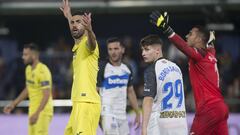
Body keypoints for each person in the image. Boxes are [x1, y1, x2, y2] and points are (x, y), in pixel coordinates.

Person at [150, 11, 229, 135]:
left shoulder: (200, 55)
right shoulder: (211, 54)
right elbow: (211, 42)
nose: (187, 36)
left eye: (190, 34)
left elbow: (183, 46)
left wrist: (167, 28)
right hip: (221, 108)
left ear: (199, 38)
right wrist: (211, 36)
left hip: (208, 109)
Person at [60, 0, 101, 134]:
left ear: (85, 24)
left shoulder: (88, 45)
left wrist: (90, 29)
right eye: (72, 23)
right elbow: (76, 33)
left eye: (78, 22)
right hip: (78, 102)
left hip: (87, 103)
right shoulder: (78, 45)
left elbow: (92, 43)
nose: (74, 25)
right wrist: (68, 17)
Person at [140, 35, 188, 135]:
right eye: (142, 50)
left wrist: (144, 128)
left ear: (157, 50)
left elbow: (148, 100)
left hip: (160, 124)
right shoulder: (176, 67)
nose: (143, 53)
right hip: (180, 122)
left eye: (147, 50)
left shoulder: (152, 70)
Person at [3, 43, 53, 135]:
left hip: (43, 111)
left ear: (33, 56)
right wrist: (13, 104)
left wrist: (37, 113)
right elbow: (28, 89)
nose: (23, 57)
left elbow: (46, 95)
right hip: (33, 110)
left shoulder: (43, 70)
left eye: (26, 54)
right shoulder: (28, 69)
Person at [97, 37, 140, 135]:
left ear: (122, 50)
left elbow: (130, 91)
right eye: (110, 49)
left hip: (122, 114)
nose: (113, 52)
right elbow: (96, 91)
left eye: (116, 49)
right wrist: (98, 114)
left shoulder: (127, 68)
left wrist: (137, 113)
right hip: (107, 113)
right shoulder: (103, 68)